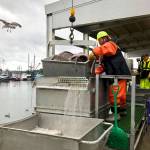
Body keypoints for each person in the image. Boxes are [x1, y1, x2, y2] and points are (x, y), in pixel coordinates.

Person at [89, 31, 131, 121]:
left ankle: (116, 115)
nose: (99, 42)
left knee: (115, 95)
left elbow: (104, 49)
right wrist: (97, 71)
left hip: (118, 74)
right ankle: (122, 111)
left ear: (104, 38)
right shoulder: (106, 51)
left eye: (99, 40)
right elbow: (105, 65)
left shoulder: (110, 44)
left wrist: (93, 52)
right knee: (121, 95)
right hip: (119, 73)